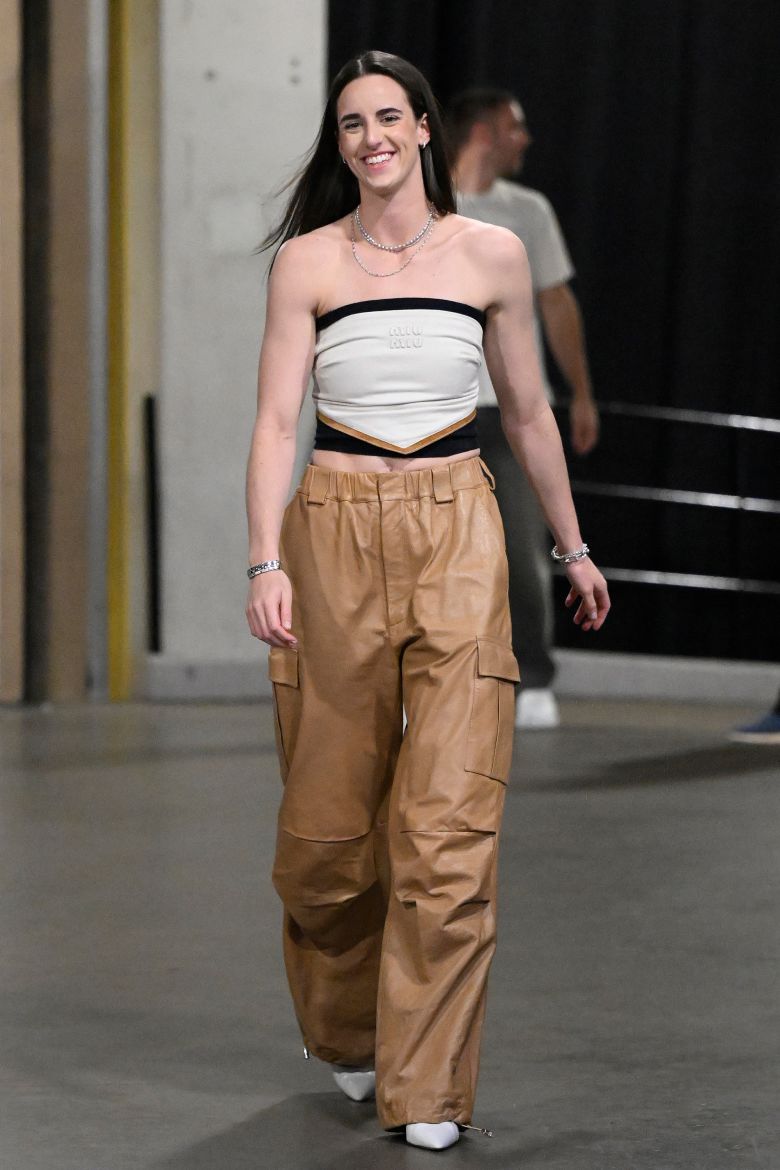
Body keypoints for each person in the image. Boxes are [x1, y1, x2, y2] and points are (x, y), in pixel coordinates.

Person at [245, 51, 610, 1151]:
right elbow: (274, 424)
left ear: (421, 130)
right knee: (327, 840)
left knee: (450, 830)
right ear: (341, 143)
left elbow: (531, 414)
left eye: (388, 116)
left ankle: (431, 1086)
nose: (371, 138)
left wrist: (573, 545)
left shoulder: (490, 254)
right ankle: (351, 1034)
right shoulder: (307, 263)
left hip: (459, 527)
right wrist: (265, 561)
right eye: (351, 122)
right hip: (334, 534)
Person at [447, 88, 600, 730]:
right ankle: (429, 682)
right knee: (427, 552)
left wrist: (581, 391)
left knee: (520, 547)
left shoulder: (526, 211)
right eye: (516, 127)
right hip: (434, 410)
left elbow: (556, 304)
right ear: (483, 132)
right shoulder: (423, 203)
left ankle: (532, 675)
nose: (525, 139)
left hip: (507, 406)